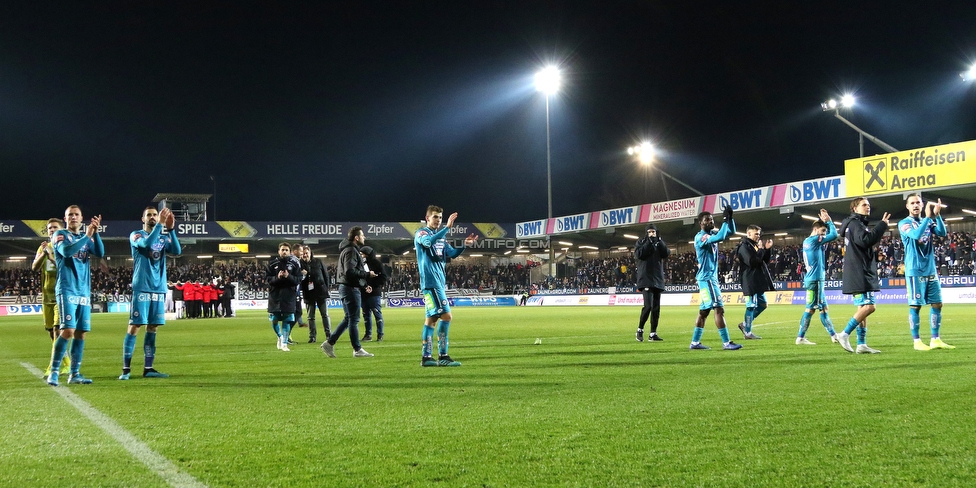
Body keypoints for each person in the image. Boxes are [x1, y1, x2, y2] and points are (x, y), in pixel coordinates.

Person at [120, 206, 181, 380]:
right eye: (149, 215)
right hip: (142, 286)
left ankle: (148, 368)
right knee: (135, 326)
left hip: (158, 287)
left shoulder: (162, 236)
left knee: (152, 327)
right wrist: (160, 225)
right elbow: (146, 245)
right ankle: (126, 370)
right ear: (143, 218)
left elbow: (176, 251)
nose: (153, 217)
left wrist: (170, 229)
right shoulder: (136, 235)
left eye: (155, 214)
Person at [45, 205, 104, 386]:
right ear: (65, 219)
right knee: (68, 330)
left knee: (81, 333)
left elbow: (100, 253)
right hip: (67, 289)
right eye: (70, 215)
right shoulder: (60, 235)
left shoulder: (83, 237)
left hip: (83, 290)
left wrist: (95, 233)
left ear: (81, 218)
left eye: (76, 214)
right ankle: (54, 372)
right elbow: (67, 252)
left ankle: (75, 373)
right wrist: (87, 236)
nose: (73, 217)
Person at [414, 206, 478, 366]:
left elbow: (453, 254)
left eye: (440, 217)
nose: (438, 220)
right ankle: (443, 356)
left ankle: (427, 358)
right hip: (431, 283)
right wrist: (447, 228)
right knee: (447, 316)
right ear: (427, 218)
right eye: (435, 217)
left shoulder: (441, 238)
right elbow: (428, 242)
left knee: (431, 320)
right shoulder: (421, 233)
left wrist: (464, 244)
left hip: (438, 284)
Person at [836, 197, 890, 354]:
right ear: (855, 208)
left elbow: (860, 246)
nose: (868, 207)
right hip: (860, 272)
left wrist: (873, 255)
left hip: (858, 270)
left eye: (869, 205)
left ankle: (861, 344)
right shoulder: (855, 224)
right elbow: (866, 240)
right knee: (870, 307)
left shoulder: (853, 224)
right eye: (864, 205)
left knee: (862, 308)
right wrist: (882, 225)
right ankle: (844, 333)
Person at [899, 193, 953, 350]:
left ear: (922, 205)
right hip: (915, 270)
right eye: (912, 203)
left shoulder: (926, 221)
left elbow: (942, 233)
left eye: (918, 203)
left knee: (937, 303)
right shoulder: (904, 223)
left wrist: (937, 216)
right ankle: (917, 341)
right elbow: (916, 235)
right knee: (916, 305)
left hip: (930, 269)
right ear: (907, 206)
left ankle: (935, 339)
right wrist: (929, 219)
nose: (916, 205)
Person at [689, 206, 741, 351]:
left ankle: (694, 343)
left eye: (712, 219)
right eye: (707, 220)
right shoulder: (701, 237)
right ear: (701, 223)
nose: (711, 221)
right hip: (707, 279)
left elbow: (731, 231)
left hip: (707, 279)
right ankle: (726, 342)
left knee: (704, 312)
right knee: (719, 308)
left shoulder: (710, 233)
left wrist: (730, 219)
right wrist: (725, 220)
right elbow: (721, 237)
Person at [320, 227, 375, 358]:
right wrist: (367, 275)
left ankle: (330, 343)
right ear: (356, 237)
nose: (364, 237)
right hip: (350, 289)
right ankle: (357, 349)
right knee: (354, 319)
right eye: (362, 235)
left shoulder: (350, 249)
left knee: (348, 318)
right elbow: (349, 272)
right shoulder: (351, 251)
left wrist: (364, 284)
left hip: (348, 287)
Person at [796, 209, 839, 345]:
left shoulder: (808, 241)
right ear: (815, 230)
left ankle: (833, 335)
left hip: (812, 279)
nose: (824, 235)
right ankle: (800, 337)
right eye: (822, 231)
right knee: (811, 309)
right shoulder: (815, 240)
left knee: (823, 308)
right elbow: (835, 235)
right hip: (815, 280)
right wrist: (829, 222)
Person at [33, 218, 69, 379]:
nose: (51, 230)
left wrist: (51, 254)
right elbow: (34, 267)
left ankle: (51, 368)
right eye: (49, 228)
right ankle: (67, 364)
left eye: (55, 227)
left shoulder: (65, 246)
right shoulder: (44, 248)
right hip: (46, 295)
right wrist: (44, 253)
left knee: (56, 331)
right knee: (50, 332)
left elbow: (65, 267)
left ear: (61, 229)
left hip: (61, 295)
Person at [735, 224, 773, 340]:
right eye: (756, 233)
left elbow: (763, 261)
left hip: (757, 280)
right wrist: (761, 250)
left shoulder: (754, 246)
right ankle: (748, 333)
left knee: (763, 304)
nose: (758, 236)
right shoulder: (744, 247)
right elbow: (752, 262)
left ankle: (745, 324)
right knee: (750, 306)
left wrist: (767, 249)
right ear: (749, 234)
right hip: (749, 281)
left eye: (759, 234)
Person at [634, 223, 669, 342]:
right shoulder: (641, 242)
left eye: (653, 232)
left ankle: (653, 333)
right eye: (649, 232)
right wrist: (649, 242)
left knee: (656, 308)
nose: (652, 234)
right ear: (646, 233)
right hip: (646, 278)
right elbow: (640, 254)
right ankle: (640, 330)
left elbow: (666, 253)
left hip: (657, 278)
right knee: (648, 306)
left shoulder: (659, 243)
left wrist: (660, 241)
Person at [267, 242, 302, 351]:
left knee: (287, 320)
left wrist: (288, 276)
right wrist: (277, 278)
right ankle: (280, 336)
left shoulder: (295, 265)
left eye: (286, 250)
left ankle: (284, 344)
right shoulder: (272, 264)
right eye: (282, 249)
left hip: (289, 296)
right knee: (274, 320)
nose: (284, 251)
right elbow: (267, 280)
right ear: (279, 251)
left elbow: (298, 280)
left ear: (289, 252)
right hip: (275, 296)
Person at [301, 246, 331, 343]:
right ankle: (312, 337)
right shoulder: (299, 265)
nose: (305, 255)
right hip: (308, 293)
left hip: (321, 292)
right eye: (304, 253)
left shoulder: (318, 261)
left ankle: (329, 335)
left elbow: (325, 275)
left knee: (325, 315)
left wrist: (326, 288)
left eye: (307, 253)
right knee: (310, 317)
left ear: (310, 253)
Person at [360, 245, 387, 342]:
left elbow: (383, 278)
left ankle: (380, 334)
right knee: (366, 314)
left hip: (374, 293)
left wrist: (373, 285)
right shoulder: (360, 264)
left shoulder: (377, 264)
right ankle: (368, 334)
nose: (361, 256)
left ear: (367, 254)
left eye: (362, 254)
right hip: (364, 292)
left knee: (377, 313)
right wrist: (364, 287)